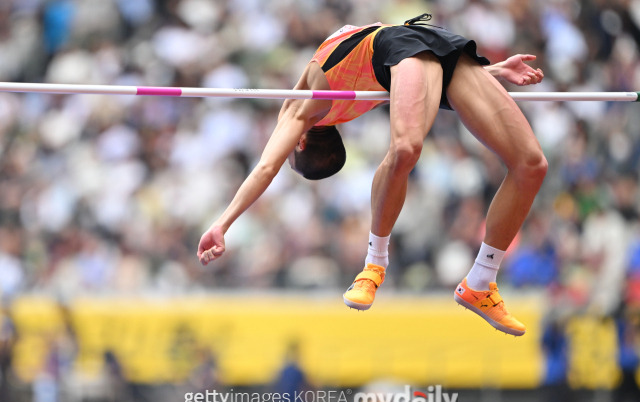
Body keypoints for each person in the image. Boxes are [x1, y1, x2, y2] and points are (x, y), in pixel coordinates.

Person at [197, 13, 546, 336]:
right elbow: (419, 83)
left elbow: (265, 167)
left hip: (409, 44)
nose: (283, 145)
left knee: (531, 165)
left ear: (300, 144)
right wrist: (495, 72)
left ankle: (479, 281)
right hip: (417, 54)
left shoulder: (299, 108)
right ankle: (377, 266)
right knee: (409, 148)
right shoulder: (337, 107)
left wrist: (222, 223)